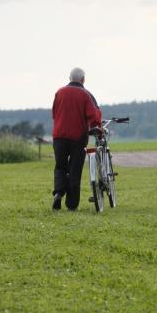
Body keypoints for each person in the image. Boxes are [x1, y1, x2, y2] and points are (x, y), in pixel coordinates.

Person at [51, 67, 102, 211]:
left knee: (60, 166)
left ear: (69, 78)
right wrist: (96, 127)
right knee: (75, 169)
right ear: (83, 80)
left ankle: (59, 193)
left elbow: (54, 113)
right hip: (77, 137)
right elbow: (93, 115)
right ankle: (71, 204)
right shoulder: (85, 95)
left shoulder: (59, 92)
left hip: (59, 136)